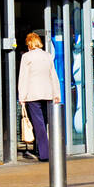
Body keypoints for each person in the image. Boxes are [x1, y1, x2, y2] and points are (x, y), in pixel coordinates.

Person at [18, 32, 61, 162]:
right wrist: (56, 94)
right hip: (47, 94)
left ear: (29, 43)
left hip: (33, 95)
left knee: (39, 125)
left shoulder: (26, 57)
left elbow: (23, 78)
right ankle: (48, 149)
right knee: (45, 123)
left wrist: (22, 96)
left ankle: (44, 154)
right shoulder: (47, 56)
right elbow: (53, 76)